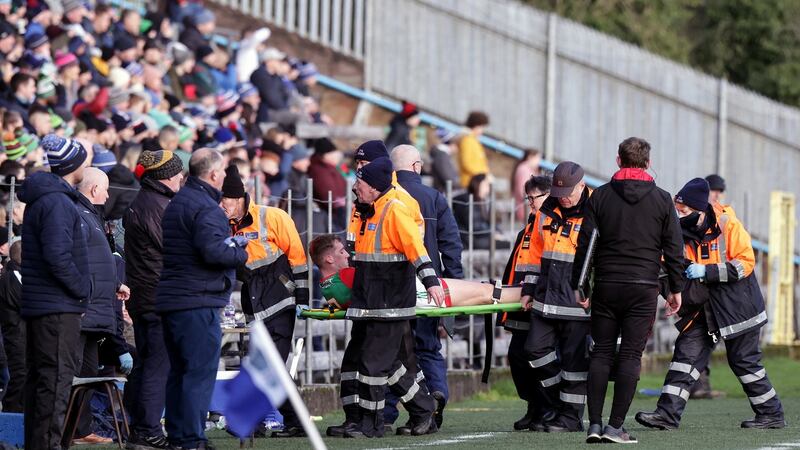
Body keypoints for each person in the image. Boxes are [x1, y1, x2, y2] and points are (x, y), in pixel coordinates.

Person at [635, 178, 785, 431]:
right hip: (703, 311)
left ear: (700, 211)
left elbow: (745, 263)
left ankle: (771, 414)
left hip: (739, 309)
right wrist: (672, 290)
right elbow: (665, 265)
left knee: (744, 362)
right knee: (685, 357)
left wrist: (707, 271)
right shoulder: (675, 230)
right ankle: (666, 415)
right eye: (677, 210)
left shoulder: (728, 224)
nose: (678, 215)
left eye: (684, 211)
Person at [571, 137, 684, 444]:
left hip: (607, 286)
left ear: (618, 161)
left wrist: (580, 285)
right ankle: (615, 427)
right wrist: (676, 288)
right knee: (631, 355)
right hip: (643, 288)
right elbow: (674, 249)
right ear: (648, 163)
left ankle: (594, 424)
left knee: (601, 353)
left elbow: (585, 245)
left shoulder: (600, 197)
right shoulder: (662, 200)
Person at [337, 157, 441, 438]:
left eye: (359, 182)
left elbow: (416, 250)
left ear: (373, 187)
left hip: (390, 303)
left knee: (373, 364)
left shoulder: (394, 210)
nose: (355, 186)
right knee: (389, 364)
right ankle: (422, 410)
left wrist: (431, 282)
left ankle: (372, 425)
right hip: (371, 301)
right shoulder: (368, 209)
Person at [156, 148, 249, 449]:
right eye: (222, 172)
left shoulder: (179, 201)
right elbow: (212, 251)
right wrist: (239, 251)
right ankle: (192, 439)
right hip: (196, 299)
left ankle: (179, 436)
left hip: (175, 297)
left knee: (180, 372)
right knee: (198, 373)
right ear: (213, 174)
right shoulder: (206, 208)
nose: (224, 177)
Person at [220, 164, 309, 438]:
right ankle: (294, 422)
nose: (221, 207)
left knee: (270, 365)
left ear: (238, 199)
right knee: (269, 366)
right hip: (254, 305)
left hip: (281, 302)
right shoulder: (223, 223)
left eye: (224, 201)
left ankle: (255, 422)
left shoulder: (274, 217)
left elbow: (298, 256)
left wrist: (302, 298)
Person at [18, 134, 92, 450]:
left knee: (43, 382)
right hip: (58, 308)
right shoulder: (57, 202)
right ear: (72, 165)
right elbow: (58, 256)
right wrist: (81, 291)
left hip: (46, 305)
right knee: (55, 382)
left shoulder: (49, 199)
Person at [387, 144, 463, 431]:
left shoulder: (384, 198)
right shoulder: (433, 198)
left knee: (392, 353)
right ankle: (436, 390)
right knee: (428, 347)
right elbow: (451, 247)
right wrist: (451, 287)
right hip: (428, 286)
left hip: (391, 290)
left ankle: (386, 416)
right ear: (417, 166)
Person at [519, 162, 591, 433]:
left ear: (582, 186)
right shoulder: (546, 212)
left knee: (575, 364)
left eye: (569, 192)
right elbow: (534, 255)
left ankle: (570, 419)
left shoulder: (596, 212)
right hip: (545, 299)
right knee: (533, 350)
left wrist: (592, 293)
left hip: (577, 304)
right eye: (559, 192)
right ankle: (560, 405)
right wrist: (528, 289)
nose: (564, 197)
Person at [123, 149, 185, 449]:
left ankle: (137, 426)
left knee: (147, 362)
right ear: (167, 177)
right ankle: (147, 429)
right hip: (157, 296)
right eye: (178, 174)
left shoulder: (145, 201)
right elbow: (172, 247)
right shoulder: (158, 206)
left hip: (145, 294)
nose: (182, 179)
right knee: (157, 365)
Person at [69, 167, 131, 446]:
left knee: (89, 373)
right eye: (105, 190)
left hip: (97, 310)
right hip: (84, 310)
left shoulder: (92, 217)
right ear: (95, 190)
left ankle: (81, 429)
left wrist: (115, 285)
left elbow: (97, 264)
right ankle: (68, 429)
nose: (108, 196)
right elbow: (78, 265)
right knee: (74, 372)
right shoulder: (79, 216)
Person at [500, 175, 553, 431]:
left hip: (542, 302)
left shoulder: (550, 226)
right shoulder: (527, 229)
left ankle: (547, 407)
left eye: (535, 197)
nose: (531, 202)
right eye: (528, 197)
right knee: (517, 356)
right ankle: (534, 406)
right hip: (522, 302)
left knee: (537, 355)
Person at [452, 174, 509, 250]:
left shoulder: (480, 201)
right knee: (512, 246)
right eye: (485, 185)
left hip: (479, 238)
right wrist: (492, 233)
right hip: (471, 241)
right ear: (477, 184)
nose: (488, 189)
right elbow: (474, 226)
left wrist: (496, 231)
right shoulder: (468, 201)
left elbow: (488, 222)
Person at [0, 240, 23, 412]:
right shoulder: (12, 277)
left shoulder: (16, 275)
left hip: (20, 336)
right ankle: (11, 419)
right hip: (16, 336)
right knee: (19, 377)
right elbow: (25, 303)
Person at [456, 111, 490, 188]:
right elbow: (466, 163)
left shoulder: (473, 140)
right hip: (471, 184)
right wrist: (482, 175)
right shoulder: (467, 140)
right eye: (481, 127)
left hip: (477, 183)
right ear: (476, 125)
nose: (482, 130)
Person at [512, 149, 542, 221]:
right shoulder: (524, 169)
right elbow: (522, 190)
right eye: (537, 158)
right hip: (526, 208)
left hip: (528, 206)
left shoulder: (527, 169)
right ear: (530, 157)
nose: (539, 161)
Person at [429, 128, 460, 194]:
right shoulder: (442, 156)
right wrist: (459, 186)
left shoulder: (443, 155)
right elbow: (447, 176)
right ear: (451, 143)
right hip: (442, 192)